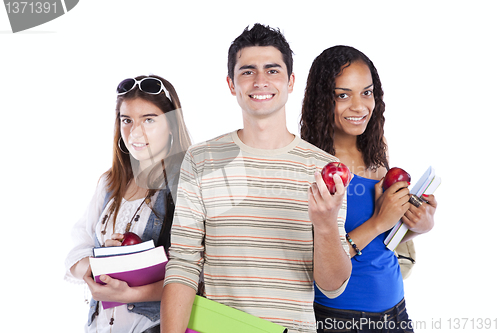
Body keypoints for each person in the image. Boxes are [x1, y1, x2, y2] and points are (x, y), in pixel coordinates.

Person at [160, 24, 352, 333]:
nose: (260, 81)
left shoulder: (323, 168)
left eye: (272, 70)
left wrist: (327, 225)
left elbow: (332, 287)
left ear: (290, 82)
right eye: (247, 72)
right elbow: (182, 265)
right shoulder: (201, 160)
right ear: (231, 84)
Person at [300, 45, 437, 333]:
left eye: (366, 92)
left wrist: (418, 223)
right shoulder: (311, 167)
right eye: (342, 95)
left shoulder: (375, 153)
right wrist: (378, 222)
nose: (360, 106)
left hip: (396, 313)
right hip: (340, 320)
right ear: (321, 101)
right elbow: (315, 263)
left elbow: (383, 238)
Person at [64, 74, 191, 333]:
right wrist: (102, 261)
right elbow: (76, 253)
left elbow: (193, 275)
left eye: (149, 120)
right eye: (127, 120)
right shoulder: (110, 184)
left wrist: (130, 294)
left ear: (171, 125)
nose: (135, 132)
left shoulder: (186, 186)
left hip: (152, 326)